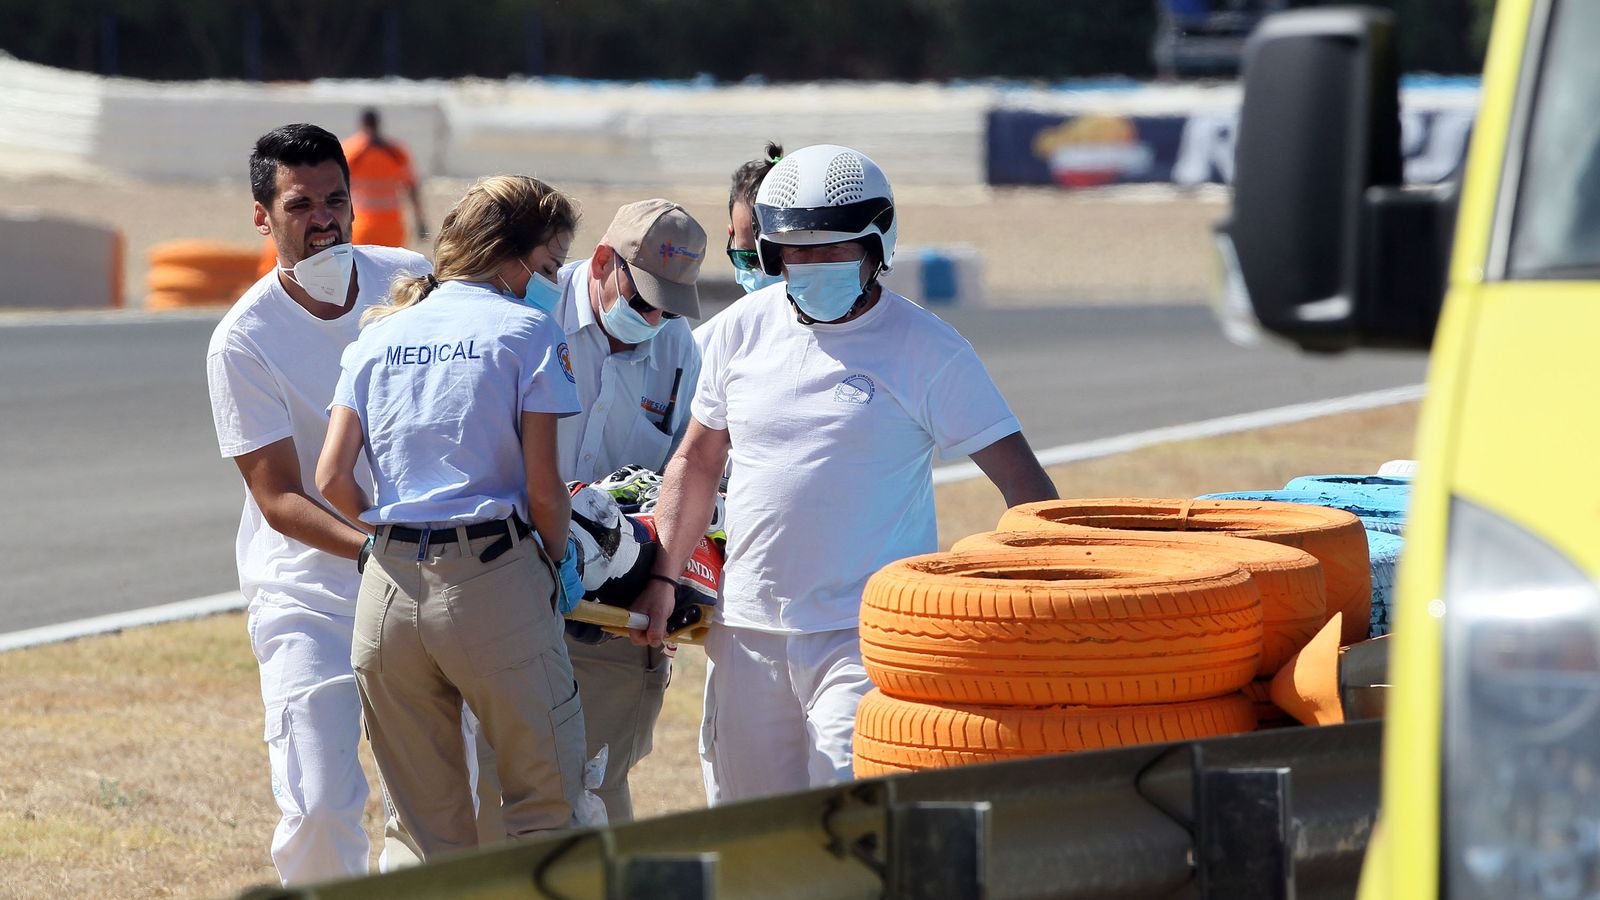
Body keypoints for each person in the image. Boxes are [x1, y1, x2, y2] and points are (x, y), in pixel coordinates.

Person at [633, 144, 1060, 804]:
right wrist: (664, 573)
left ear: (876, 246)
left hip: (868, 637)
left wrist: (1034, 604)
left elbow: (1025, 486)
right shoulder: (738, 331)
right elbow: (694, 462)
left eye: (834, 251)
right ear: (772, 254)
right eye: (796, 252)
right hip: (745, 634)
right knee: (750, 834)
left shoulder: (928, 349)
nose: (814, 266)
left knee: (850, 819)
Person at [316, 174, 589, 860]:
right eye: (550, 266)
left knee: (419, 828)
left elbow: (329, 477)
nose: (550, 282)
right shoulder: (528, 329)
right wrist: (556, 566)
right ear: (515, 256)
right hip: (492, 579)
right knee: (544, 805)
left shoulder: (378, 335)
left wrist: (383, 544)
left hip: (386, 593)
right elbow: (546, 489)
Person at [204, 123, 430, 883]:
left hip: (433, 583)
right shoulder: (244, 339)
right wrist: (379, 551)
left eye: (337, 198)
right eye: (302, 205)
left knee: (453, 794)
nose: (327, 217)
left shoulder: (413, 283)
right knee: (322, 804)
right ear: (262, 217)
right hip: (309, 596)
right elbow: (279, 497)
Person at [466, 199, 703, 829]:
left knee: (596, 788)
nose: (655, 317)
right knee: (494, 785)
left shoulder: (677, 347)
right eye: (645, 297)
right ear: (602, 263)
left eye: (670, 305)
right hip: (511, 589)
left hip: (609, 607)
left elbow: (689, 471)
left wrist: (664, 576)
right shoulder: (524, 315)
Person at [343, 108, 427, 248]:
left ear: (362, 124)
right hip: (392, 228)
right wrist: (420, 221)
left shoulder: (351, 149)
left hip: (361, 226)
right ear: (379, 123)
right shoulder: (396, 151)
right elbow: (412, 188)